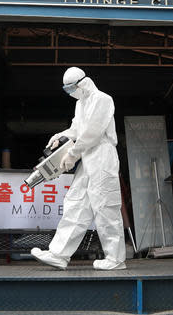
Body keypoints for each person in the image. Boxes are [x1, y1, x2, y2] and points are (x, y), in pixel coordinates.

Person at [30, 67, 126, 271]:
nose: (70, 93)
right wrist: (61, 136)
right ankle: (59, 254)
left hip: (102, 155)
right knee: (76, 203)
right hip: (87, 156)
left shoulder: (103, 99)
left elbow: (92, 133)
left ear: (83, 83)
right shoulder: (81, 104)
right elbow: (77, 129)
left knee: (105, 206)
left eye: (71, 88)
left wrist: (72, 154)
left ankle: (115, 258)